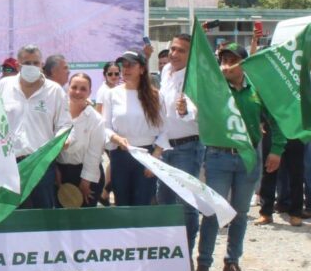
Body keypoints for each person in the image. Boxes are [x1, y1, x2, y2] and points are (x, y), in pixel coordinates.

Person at [194, 43, 285, 271]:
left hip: (248, 157)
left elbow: (274, 120)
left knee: (241, 213)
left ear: (243, 63)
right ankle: (203, 264)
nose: (225, 64)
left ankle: (231, 262)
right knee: (213, 211)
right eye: (222, 59)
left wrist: (276, 150)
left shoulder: (257, 90)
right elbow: (194, 104)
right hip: (218, 156)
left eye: (231, 59)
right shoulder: (215, 90)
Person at [0, 44, 72, 209]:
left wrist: (63, 139)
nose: (31, 67)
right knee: (10, 216)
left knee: (42, 217)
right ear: (18, 65)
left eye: (35, 63)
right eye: (27, 63)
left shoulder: (55, 91)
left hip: (41, 167)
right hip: (9, 166)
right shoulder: (3, 86)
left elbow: (65, 125)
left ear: (42, 65)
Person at [157, 34, 205, 258]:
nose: (174, 54)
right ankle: (169, 254)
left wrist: (185, 111)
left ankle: (186, 256)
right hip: (165, 146)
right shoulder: (166, 71)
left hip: (188, 147)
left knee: (186, 203)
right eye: (172, 49)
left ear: (191, 54)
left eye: (181, 50)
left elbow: (198, 112)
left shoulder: (196, 77)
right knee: (164, 200)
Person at [101, 50, 165, 206]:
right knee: (122, 204)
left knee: (142, 205)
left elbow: (165, 130)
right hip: (120, 156)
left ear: (142, 69)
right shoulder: (112, 94)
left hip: (146, 157)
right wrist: (116, 139)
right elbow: (105, 126)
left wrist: (155, 157)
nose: (126, 69)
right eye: (124, 65)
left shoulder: (156, 96)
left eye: (131, 65)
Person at [57, 73, 106, 207]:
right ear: (68, 88)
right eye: (74, 87)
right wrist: (55, 169)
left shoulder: (96, 120)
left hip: (86, 175)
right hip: (59, 174)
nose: (78, 92)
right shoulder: (58, 112)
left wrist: (85, 182)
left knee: (84, 221)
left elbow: (94, 154)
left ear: (90, 92)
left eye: (83, 89)